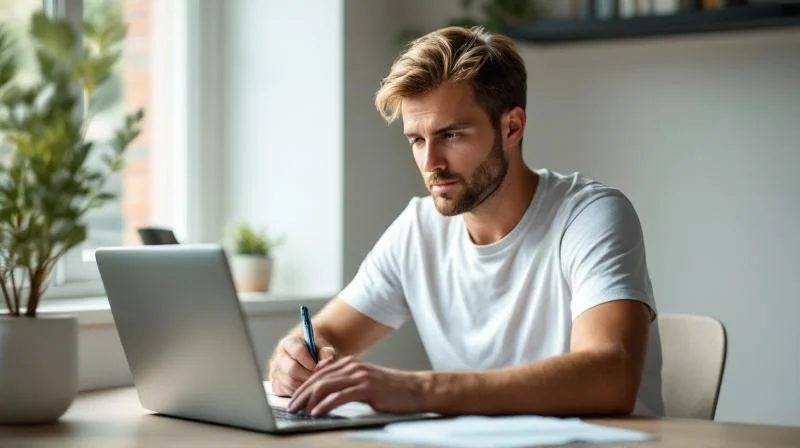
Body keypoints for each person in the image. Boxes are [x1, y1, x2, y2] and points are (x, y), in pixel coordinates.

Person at [268, 25, 664, 418]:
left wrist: (416, 388)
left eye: (451, 135)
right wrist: (296, 359)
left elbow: (610, 375)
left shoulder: (589, 216)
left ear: (512, 127)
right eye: (417, 140)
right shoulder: (419, 230)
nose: (430, 164)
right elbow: (327, 334)